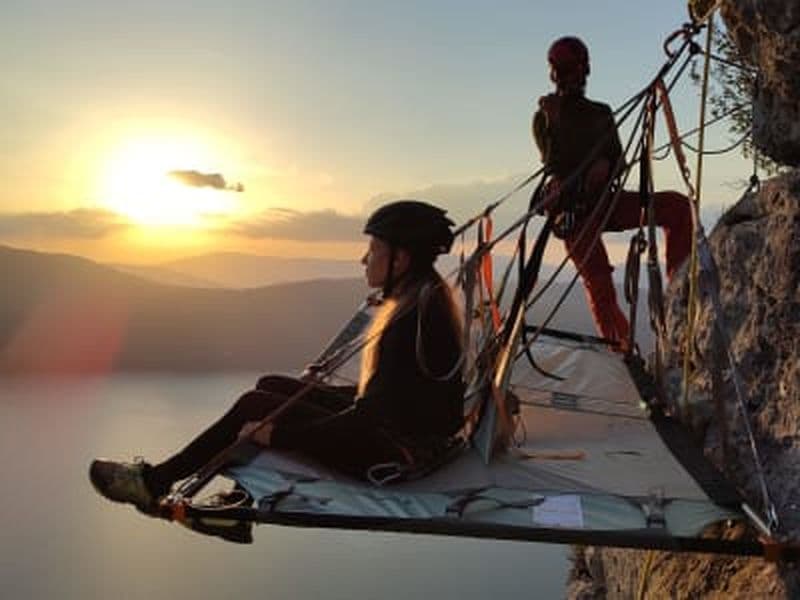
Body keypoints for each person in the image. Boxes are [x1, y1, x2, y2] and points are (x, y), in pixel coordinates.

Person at [90, 200, 466, 513]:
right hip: (406, 438)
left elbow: (368, 419)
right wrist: (310, 403)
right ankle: (238, 498)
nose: (363, 259)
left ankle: (155, 482)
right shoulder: (425, 300)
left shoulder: (411, 319)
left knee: (257, 405)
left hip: (395, 456)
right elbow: (394, 402)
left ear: (400, 260)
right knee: (271, 386)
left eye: (374, 250)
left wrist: (282, 435)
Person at [532, 36, 692, 351]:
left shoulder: (600, 112)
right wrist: (554, 122)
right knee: (601, 287)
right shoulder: (545, 115)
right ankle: (622, 357)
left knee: (677, 207)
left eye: (571, 69)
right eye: (562, 70)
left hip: (605, 201)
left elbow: (619, 160)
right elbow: (552, 166)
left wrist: (605, 166)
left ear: (584, 69)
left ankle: (679, 295)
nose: (567, 77)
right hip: (573, 212)